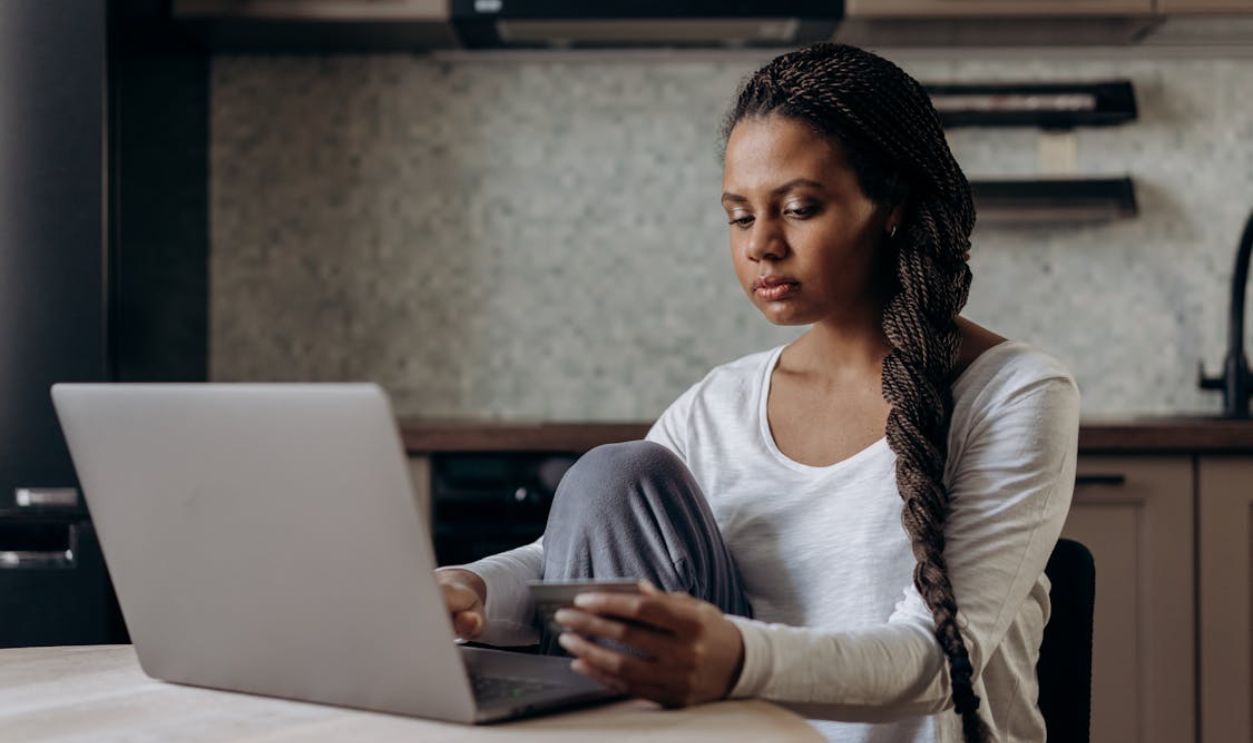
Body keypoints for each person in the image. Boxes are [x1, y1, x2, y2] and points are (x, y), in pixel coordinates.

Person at [434, 42, 1080, 743]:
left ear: (889, 203)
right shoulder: (720, 404)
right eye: (740, 216)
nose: (761, 244)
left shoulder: (1015, 393)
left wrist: (735, 659)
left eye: (799, 208)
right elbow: (569, 555)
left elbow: (936, 661)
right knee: (610, 477)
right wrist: (470, 588)